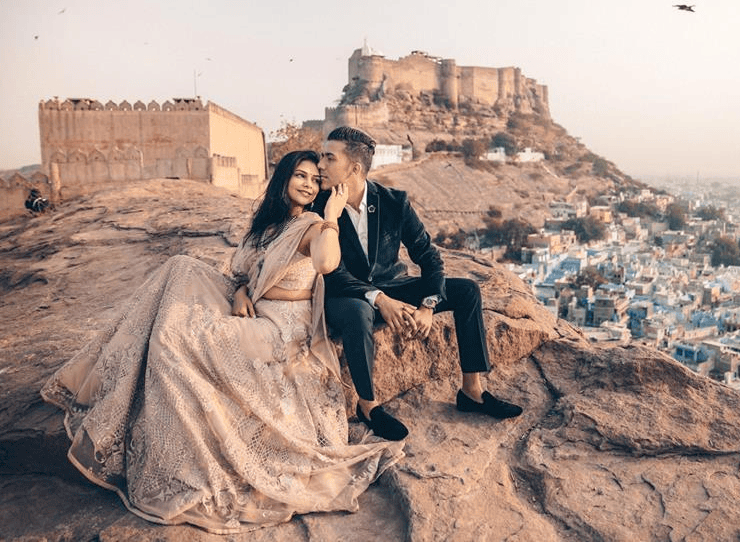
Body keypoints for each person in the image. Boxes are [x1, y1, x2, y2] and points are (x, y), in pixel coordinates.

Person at [40, 150, 404, 534]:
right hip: (252, 309)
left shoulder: (313, 225)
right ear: (283, 179)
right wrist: (242, 291)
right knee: (180, 268)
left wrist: (331, 217)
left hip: (281, 330)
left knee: (179, 341)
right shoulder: (268, 226)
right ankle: (110, 383)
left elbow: (327, 264)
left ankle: (175, 463)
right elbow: (248, 271)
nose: (308, 184)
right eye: (300, 175)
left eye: (314, 180)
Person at [315, 126, 522, 441]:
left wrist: (428, 305)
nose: (320, 165)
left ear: (354, 168)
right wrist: (379, 299)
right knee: (359, 311)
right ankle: (368, 406)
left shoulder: (394, 201)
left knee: (467, 290)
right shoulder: (320, 205)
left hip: (394, 285)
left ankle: (472, 391)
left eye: (329, 158)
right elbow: (334, 271)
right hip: (345, 295)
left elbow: (429, 258)